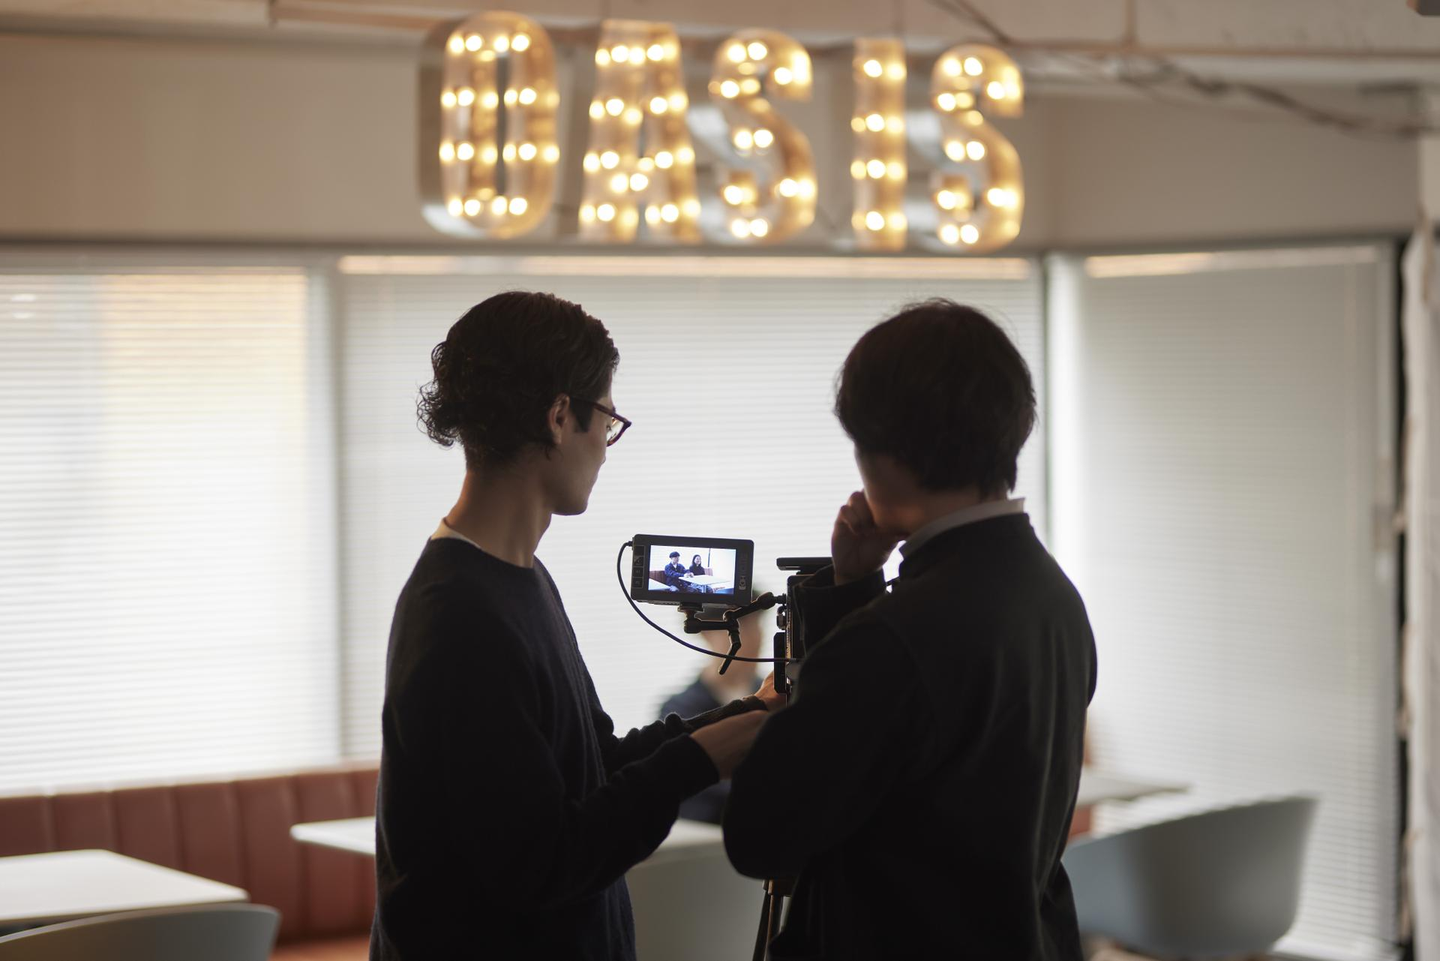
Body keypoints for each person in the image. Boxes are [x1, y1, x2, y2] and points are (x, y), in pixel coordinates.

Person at [370, 291, 775, 961]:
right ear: (560, 417)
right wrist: (703, 759)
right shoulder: (461, 617)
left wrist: (743, 717)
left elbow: (592, 763)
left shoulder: (518, 576)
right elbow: (543, 862)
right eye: (607, 420)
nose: (607, 451)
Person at [724, 299, 1097, 961]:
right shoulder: (1052, 594)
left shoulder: (895, 637)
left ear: (888, 454)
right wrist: (852, 589)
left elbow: (761, 837)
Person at [657, 593, 770, 824]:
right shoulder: (678, 710)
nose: (753, 638)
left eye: (756, 625)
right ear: (706, 633)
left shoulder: (776, 695)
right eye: (739, 627)